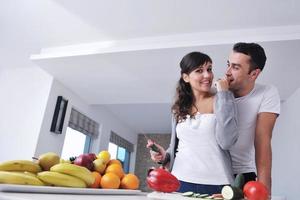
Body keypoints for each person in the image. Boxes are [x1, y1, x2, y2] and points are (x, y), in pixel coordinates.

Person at [147, 51, 238, 195]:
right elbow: (179, 146)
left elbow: (227, 142)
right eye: (199, 71)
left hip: (217, 184)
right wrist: (164, 156)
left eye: (209, 69)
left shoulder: (222, 98)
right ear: (186, 77)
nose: (207, 75)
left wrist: (224, 94)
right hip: (178, 181)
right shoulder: (178, 108)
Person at [226, 42, 281, 194]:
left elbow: (263, 141)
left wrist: (265, 193)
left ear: (254, 74)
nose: (227, 72)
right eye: (228, 64)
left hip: (243, 174)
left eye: (235, 67)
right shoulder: (217, 92)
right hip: (213, 172)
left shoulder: (267, 93)